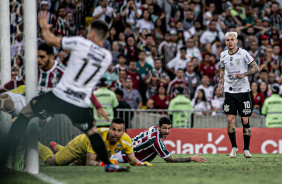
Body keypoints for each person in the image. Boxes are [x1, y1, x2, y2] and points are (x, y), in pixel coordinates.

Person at [0, 15, 127, 172]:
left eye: (89, 31)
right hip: (81, 103)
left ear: (93, 33)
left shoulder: (81, 43)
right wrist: (98, 107)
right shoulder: (107, 56)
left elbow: (51, 40)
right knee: (92, 132)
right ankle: (109, 165)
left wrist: (44, 26)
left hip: (60, 97)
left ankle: (5, 160)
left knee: (25, 114)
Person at [39, 118, 151, 166]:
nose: (116, 133)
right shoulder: (98, 137)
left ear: (123, 132)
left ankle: (59, 148)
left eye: (119, 131)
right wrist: (106, 164)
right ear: (109, 129)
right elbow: (90, 162)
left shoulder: (126, 141)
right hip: (78, 146)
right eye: (113, 130)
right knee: (50, 163)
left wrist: (140, 163)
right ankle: (35, 144)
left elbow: (132, 160)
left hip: (91, 153)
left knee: (77, 163)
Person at [218, 31, 259, 158]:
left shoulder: (243, 53)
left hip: (243, 91)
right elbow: (222, 69)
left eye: (232, 40)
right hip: (229, 92)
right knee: (230, 120)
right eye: (227, 40)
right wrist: (220, 85)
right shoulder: (223, 54)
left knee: (245, 120)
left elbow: (255, 68)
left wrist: (244, 74)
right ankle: (234, 147)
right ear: (226, 42)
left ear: (236, 41)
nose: (230, 42)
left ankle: (246, 149)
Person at [0, 44, 64, 116]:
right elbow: (18, 82)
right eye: (37, 57)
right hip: (30, 103)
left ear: (51, 57)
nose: (38, 60)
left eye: (42, 57)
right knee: (3, 99)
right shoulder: (35, 70)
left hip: (50, 110)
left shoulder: (62, 72)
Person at [110, 117, 206, 163]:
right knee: (99, 160)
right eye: (164, 128)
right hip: (123, 155)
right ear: (159, 127)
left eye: (169, 128)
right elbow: (170, 160)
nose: (167, 131)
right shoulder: (155, 141)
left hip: (123, 147)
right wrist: (192, 158)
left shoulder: (153, 129)